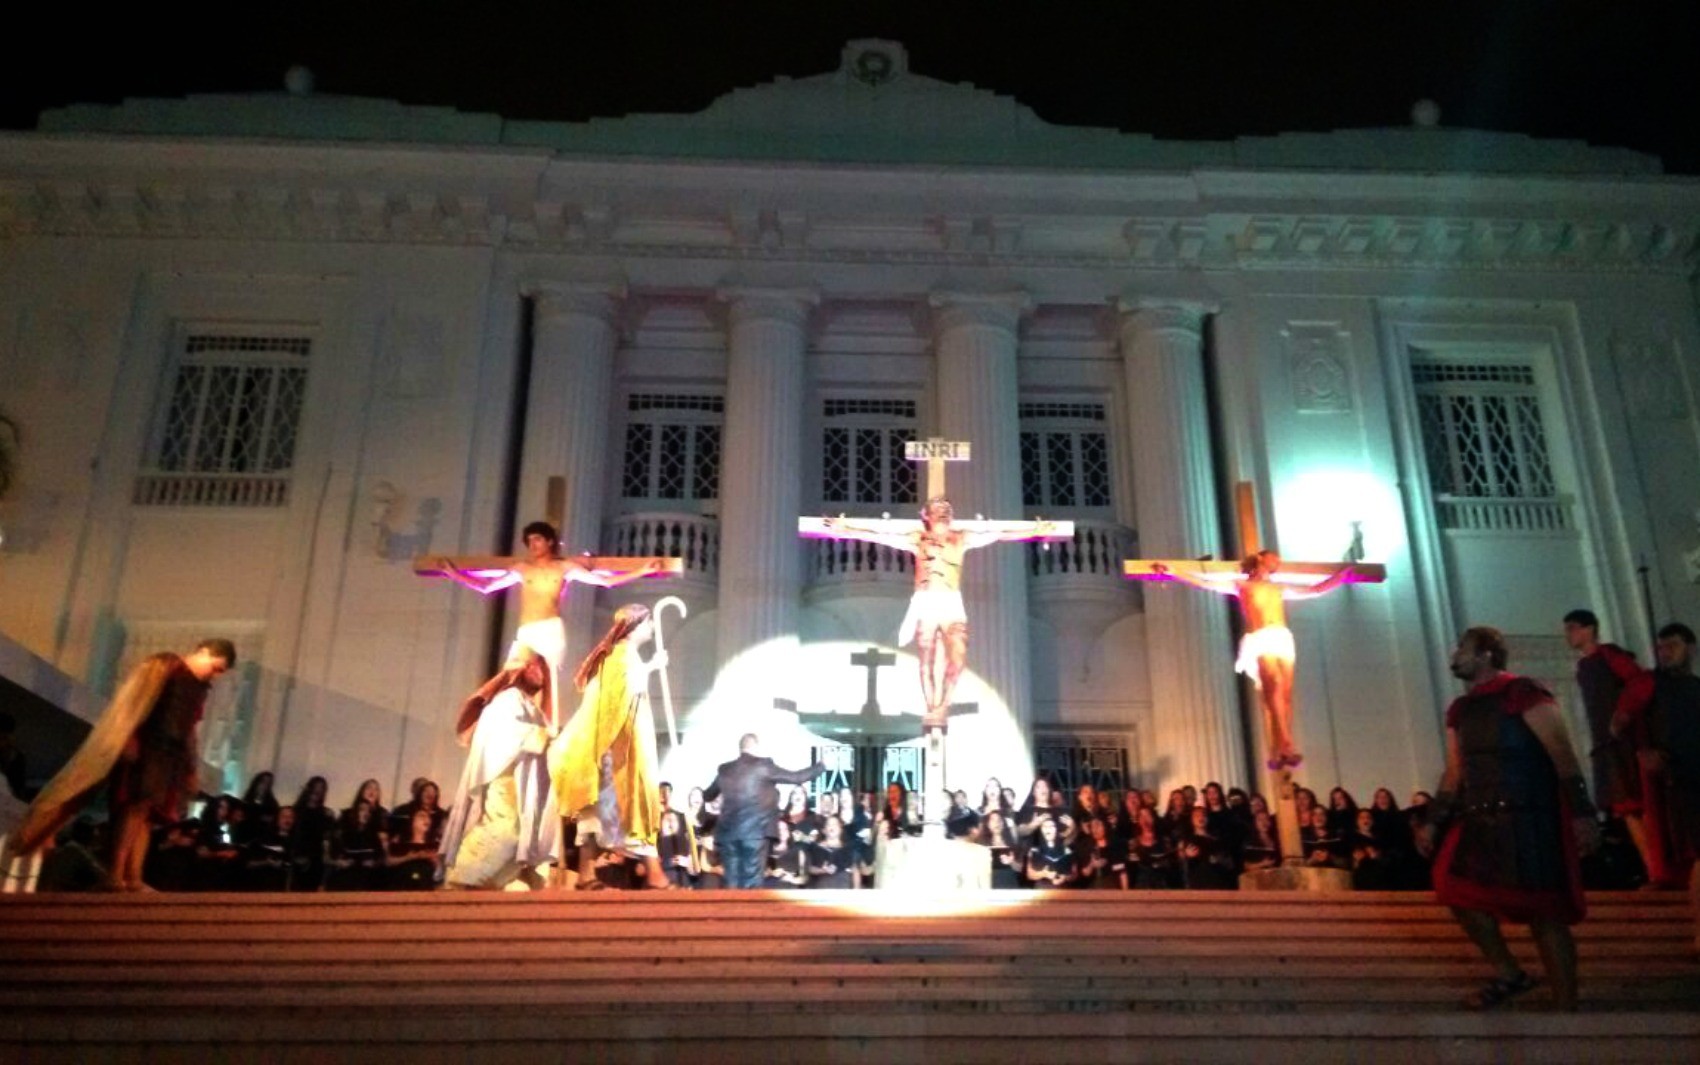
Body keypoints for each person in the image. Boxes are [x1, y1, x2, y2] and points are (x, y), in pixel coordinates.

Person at [1426, 625, 1599, 1011]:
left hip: (1531, 815)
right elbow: (1455, 771)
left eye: (1462, 648)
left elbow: (1561, 753)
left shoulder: (1523, 693)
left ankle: (1566, 1007)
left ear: (1486, 654)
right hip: (1481, 817)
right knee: (1453, 887)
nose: (1454, 654)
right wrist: (1433, 819)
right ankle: (1509, 973)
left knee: (1544, 912)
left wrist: (1582, 813)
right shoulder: (1461, 709)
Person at [6, 638, 234, 891]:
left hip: (170, 756)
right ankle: (114, 874)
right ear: (204, 652)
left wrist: (191, 767)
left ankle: (134, 877)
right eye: (216, 667)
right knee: (133, 808)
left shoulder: (198, 687)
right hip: (147, 745)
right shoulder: (165, 666)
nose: (215, 675)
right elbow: (134, 703)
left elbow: (189, 728)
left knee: (147, 815)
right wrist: (127, 738)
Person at [823, 499, 1058, 726]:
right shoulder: (917, 540)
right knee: (926, 659)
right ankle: (931, 707)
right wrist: (846, 529)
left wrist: (1034, 530)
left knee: (958, 659)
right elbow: (880, 536)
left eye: (948, 508)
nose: (944, 511)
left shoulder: (961, 538)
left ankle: (943, 705)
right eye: (938, 508)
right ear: (925, 515)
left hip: (951, 603)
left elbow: (999, 535)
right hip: (925, 602)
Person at [431, 521, 668, 734]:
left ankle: (547, 730)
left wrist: (642, 570)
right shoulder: (522, 569)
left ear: (550, 541)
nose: (533, 544)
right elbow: (487, 587)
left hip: (551, 631)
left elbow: (604, 581)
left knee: (548, 683)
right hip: (526, 632)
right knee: (512, 679)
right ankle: (513, 729)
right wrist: (453, 573)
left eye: (537, 539)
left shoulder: (564, 568)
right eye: (529, 540)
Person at [1152, 551, 1354, 769]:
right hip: (1260, 637)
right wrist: (1172, 571)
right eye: (1273, 556)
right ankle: (1287, 743)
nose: (1277, 560)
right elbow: (1203, 582)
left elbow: (1314, 590)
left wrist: (1339, 577)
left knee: (1285, 693)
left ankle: (1278, 749)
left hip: (1282, 637)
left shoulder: (1279, 587)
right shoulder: (1241, 585)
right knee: (1273, 682)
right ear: (1260, 559)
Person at [549, 605, 674, 890]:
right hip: (615, 754)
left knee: (613, 813)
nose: (652, 626)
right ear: (634, 626)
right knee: (619, 810)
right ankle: (650, 875)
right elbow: (617, 698)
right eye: (648, 621)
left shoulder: (625, 657)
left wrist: (648, 667)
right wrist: (652, 668)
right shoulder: (619, 657)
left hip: (624, 750)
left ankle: (591, 873)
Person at [440, 656, 561, 890]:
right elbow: (511, 735)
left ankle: (489, 887)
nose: (543, 674)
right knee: (507, 832)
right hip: (506, 783)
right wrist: (546, 736)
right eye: (537, 665)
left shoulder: (530, 706)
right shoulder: (506, 699)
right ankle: (459, 880)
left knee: (522, 841)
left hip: (525, 787)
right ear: (522, 668)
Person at [1563, 608, 1659, 883]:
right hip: (1606, 744)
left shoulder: (1609, 656)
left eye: (1572, 628)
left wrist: (1624, 712)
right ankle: (1652, 870)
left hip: (1623, 743)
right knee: (1625, 809)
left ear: (1589, 629)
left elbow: (1641, 682)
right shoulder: (1584, 666)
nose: (1568, 635)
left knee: (1638, 806)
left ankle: (1658, 870)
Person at [702, 733, 825, 890]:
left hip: (728, 834)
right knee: (751, 881)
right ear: (756, 747)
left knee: (731, 881)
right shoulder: (764, 766)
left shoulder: (725, 769)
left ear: (741, 748)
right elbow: (796, 777)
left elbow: (708, 795)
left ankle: (732, 912)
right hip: (756, 833)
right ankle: (748, 914)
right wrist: (820, 766)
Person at [1648, 623, 1700, 900]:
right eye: (1661, 648)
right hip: (1678, 781)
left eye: (1672, 646)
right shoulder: (1654, 687)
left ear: (1690, 648)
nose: (1665, 653)